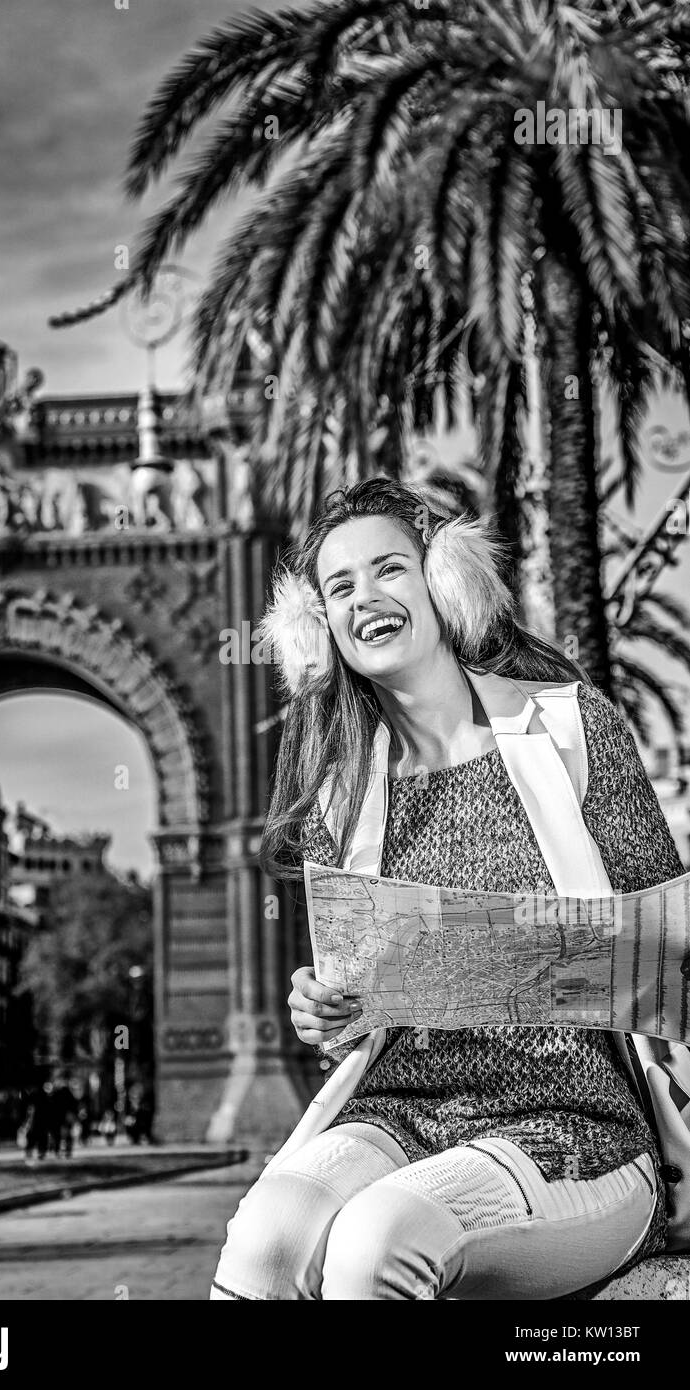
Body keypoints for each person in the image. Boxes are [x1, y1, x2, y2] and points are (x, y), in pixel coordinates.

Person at [210, 478, 681, 1301]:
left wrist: (554, 959)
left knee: (373, 1244)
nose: (366, 598)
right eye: (340, 586)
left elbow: (673, 950)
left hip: (579, 1124)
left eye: (389, 568)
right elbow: (357, 999)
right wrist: (323, 1007)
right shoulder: (339, 793)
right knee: (264, 1239)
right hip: (402, 1111)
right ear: (318, 625)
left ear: (443, 579)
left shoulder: (568, 730)